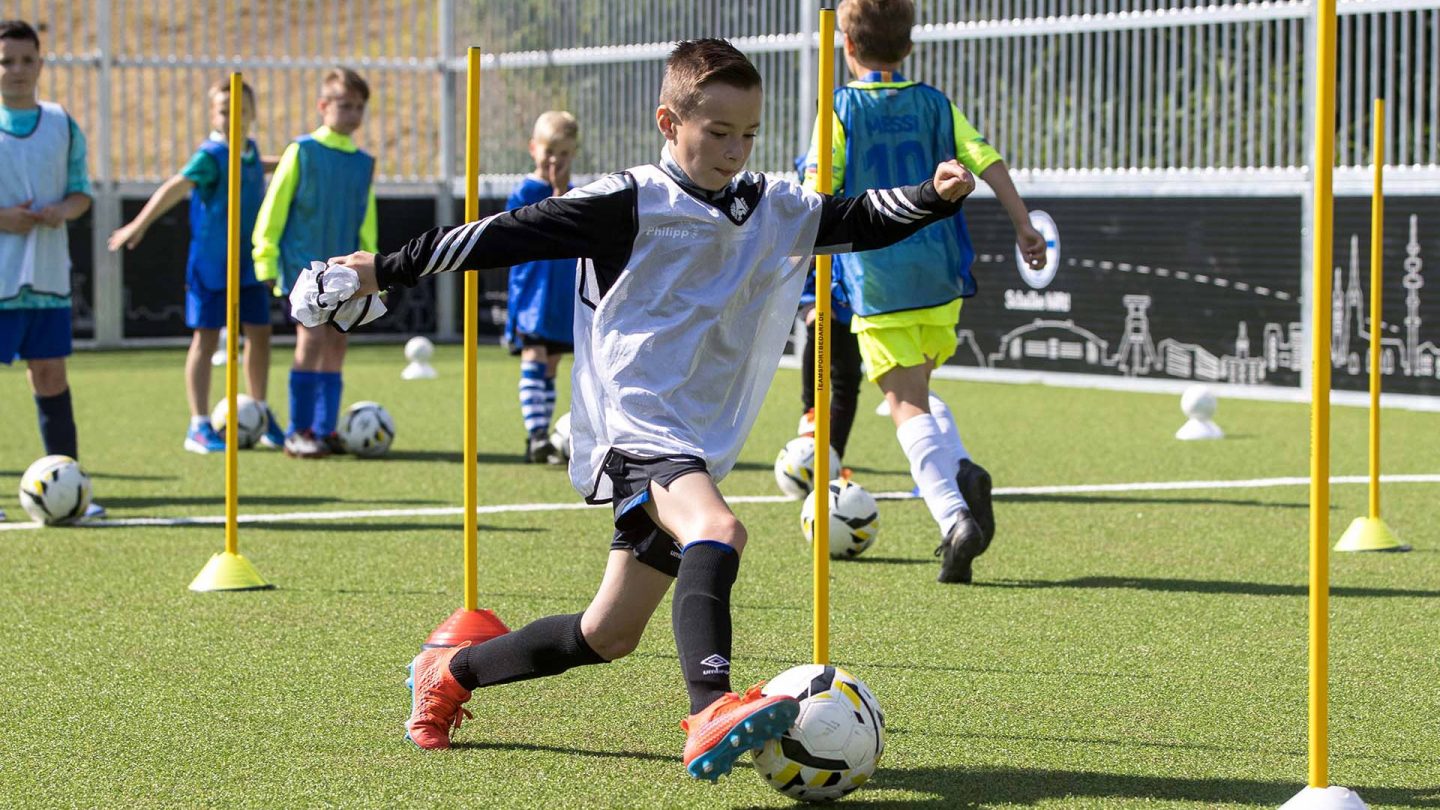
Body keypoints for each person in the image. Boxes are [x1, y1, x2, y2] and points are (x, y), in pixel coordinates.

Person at [293, 39, 974, 781]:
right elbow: (500, 237)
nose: (735, 150)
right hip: (636, 420)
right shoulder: (629, 200)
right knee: (719, 527)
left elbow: (859, 217)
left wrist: (933, 196)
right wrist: (376, 267)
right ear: (667, 121)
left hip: (694, 435)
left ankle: (450, 674)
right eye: (717, 133)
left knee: (607, 633)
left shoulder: (767, 205)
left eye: (748, 134)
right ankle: (710, 706)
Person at [801, 0, 1047, 583]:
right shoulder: (936, 103)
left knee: (903, 402)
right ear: (909, 46)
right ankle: (961, 469)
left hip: (878, 275)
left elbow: (817, 191)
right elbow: (986, 159)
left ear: (846, 46)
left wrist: (798, 270)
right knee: (918, 390)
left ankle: (953, 517)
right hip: (941, 273)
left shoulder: (838, 108)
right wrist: (1023, 224)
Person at [108, 79, 283, 453]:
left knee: (260, 334)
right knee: (205, 339)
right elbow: (175, 186)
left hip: (248, 264)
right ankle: (199, 425)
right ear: (213, 114)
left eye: (241, 110)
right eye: (224, 110)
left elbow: (256, 165)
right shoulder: (209, 155)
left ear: (253, 114)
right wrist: (139, 224)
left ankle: (260, 412)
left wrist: (292, 159)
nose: (233, 117)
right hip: (211, 266)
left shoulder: (249, 150)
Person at [0, 19, 104, 520]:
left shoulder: (62, 122)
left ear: (40, 64)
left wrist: (65, 209)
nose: (16, 70)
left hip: (46, 277)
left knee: (50, 375)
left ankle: (70, 486)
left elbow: (81, 190)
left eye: (25, 60)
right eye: (6, 61)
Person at [252, 67, 376, 458]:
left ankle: (325, 430)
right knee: (311, 340)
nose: (352, 114)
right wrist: (265, 256)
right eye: (344, 105)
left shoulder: (362, 162)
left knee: (337, 344)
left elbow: (366, 216)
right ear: (323, 106)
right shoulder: (301, 151)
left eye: (358, 107)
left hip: (346, 272)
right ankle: (298, 430)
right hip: (303, 269)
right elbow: (274, 208)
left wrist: (373, 266)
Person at [505, 111, 579, 464]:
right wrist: (553, 194)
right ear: (533, 148)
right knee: (533, 356)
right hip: (533, 290)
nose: (555, 160)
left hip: (562, 291)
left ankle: (544, 434)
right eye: (549, 151)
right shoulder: (525, 192)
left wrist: (563, 193)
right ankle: (535, 435)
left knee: (552, 362)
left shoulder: (576, 193)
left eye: (563, 154)